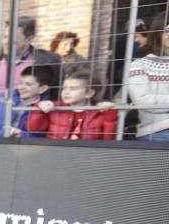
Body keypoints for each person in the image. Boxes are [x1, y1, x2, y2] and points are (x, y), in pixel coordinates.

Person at [27, 67, 117, 140]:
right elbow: (34, 128)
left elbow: (109, 139)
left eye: (73, 89)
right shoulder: (54, 107)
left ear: (89, 93)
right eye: (64, 88)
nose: (66, 92)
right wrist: (39, 110)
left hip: (86, 155)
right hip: (55, 151)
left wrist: (110, 116)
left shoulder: (99, 112)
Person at [127, 10, 169, 142]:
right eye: (167, 30)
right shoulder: (141, 64)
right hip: (158, 131)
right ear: (158, 34)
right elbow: (143, 101)